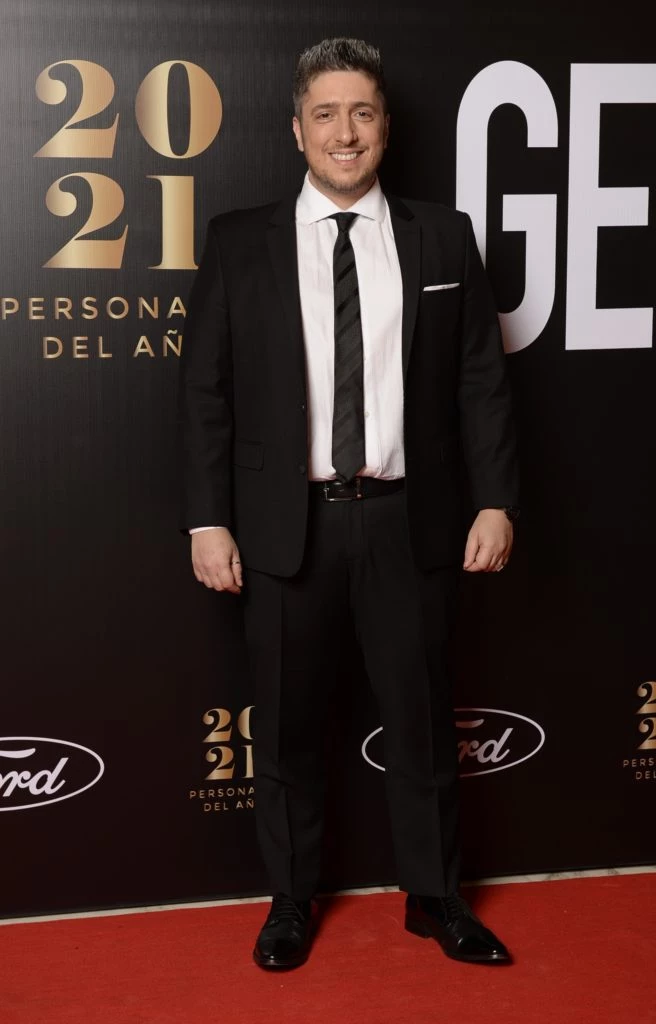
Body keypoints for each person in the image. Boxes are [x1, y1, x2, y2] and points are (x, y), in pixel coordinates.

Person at [178, 37, 520, 970]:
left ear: (385, 127)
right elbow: (205, 392)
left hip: (409, 520)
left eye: (361, 113)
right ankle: (290, 902)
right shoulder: (239, 240)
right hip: (285, 528)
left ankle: (435, 898)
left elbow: (482, 382)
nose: (344, 132)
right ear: (297, 130)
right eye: (324, 114)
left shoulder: (442, 236)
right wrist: (208, 518)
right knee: (286, 729)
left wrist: (495, 501)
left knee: (422, 722)